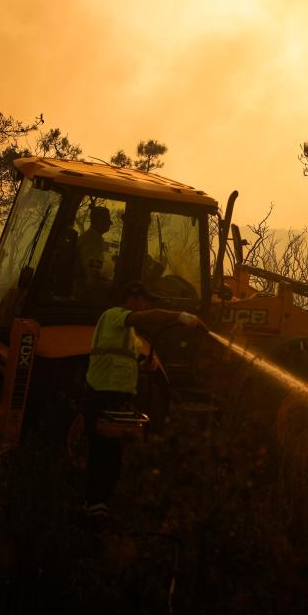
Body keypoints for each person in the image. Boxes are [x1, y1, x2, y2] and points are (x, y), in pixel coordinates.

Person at [82, 279, 206, 519]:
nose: (146, 307)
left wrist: (143, 365)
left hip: (117, 398)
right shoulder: (114, 316)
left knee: (113, 455)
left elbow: (122, 359)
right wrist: (180, 316)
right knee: (102, 453)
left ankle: (102, 502)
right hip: (102, 395)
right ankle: (92, 504)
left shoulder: (127, 335)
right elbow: (144, 319)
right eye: (145, 301)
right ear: (132, 297)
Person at [75, 206, 112, 298]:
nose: (110, 223)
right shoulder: (93, 241)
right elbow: (93, 273)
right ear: (99, 221)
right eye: (107, 220)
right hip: (85, 295)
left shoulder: (89, 237)